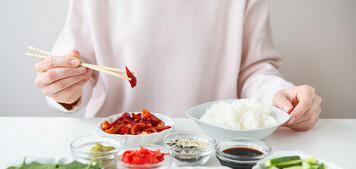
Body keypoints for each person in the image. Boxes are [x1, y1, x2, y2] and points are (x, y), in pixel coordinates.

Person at [33, 0, 321, 131]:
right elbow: (76, 68)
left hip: (211, 147)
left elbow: (254, 69)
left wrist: (279, 96)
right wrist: (64, 88)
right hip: (117, 150)